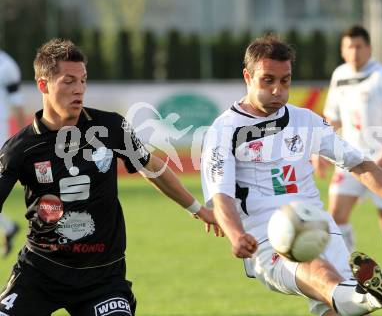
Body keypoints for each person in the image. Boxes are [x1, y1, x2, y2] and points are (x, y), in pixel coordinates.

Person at [200, 35, 382, 316]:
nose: (277, 90)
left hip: (321, 227)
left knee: (335, 307)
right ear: (247, 77)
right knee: (325, 276)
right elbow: (221, 194)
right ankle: (370, 297)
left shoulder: (306, 120)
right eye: (268, 80)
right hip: (266, 237)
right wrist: (236, 234)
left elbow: (360, 164)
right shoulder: (225, 130)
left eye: (285, 81)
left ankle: (363, 297)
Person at [0, 38, 219, 316]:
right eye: (68, 81)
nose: (79, 89)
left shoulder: (109, 127)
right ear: (43, 85)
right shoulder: (20, 149)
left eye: (83, 80)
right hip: (40, 272)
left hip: (102, 277)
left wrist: (197, 208)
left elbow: (150, 166)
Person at [315, 25, 382, 293]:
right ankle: (355, 277)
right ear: (342, 51)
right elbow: (331, 117)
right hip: (349, 160)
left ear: (368, 48)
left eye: (359, 46)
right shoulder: (340, 76)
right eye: (349, 46)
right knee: (336, 215)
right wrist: (319, 152)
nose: (354, 52)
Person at [0, 48, 26, 257]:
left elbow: (17, 103)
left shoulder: (6, 65)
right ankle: (8, 227)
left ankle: (8, 228)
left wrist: (26, 139)